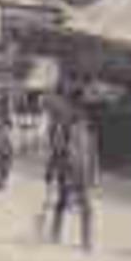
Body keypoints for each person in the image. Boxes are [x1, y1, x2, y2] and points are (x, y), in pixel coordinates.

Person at [46, 100, 98, 251]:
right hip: (67, 171)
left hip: (82, 173)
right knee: (62, 203)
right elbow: (57, 151)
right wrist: (50, 171)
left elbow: (94, 155)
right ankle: (55, 233)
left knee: (86, 207)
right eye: (80, 116)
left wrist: (94, 176)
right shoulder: (65, 130)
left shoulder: (90, 133)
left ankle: (86, 240)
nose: (83, 119)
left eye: (84, 116)